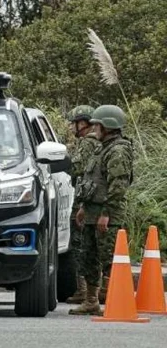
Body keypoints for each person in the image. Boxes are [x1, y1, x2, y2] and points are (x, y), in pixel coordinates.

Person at [70, 105, 134, 315]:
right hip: (91, 212)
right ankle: (91, 301)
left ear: (108, 126)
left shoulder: (118, 150)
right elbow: (90, 180)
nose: (94, 128)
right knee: (89, 257)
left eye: (97, 124)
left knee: (109, 259)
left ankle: (116, 299)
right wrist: (83, 207)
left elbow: (118, 186)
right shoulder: (101, 148)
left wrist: (106, 213)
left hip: (107, 214)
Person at [64, 105, 102, 305]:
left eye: (74, 123)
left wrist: (66, 163)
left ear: (83, 123)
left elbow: (78, 168)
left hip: (84, 198)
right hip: (92, 198)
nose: (72, 127)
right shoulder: (99, 142)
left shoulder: (88, 143)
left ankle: (84, 290)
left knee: (80, 244)